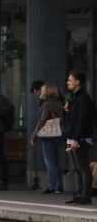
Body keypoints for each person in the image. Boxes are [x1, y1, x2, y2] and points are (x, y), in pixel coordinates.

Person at [63, 70, 93, 205]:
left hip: (80, 138)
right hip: (73, 136)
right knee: (76, 168)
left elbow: (83, 120)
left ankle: (86, 195)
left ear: (77, 82)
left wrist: (77, 138)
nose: (67, 82)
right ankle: (79, 193)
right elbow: (74, 119)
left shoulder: (83, 99)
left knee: (83, 167)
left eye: (70, 80)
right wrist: (68, 111)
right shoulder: (74, 99)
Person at [30, 83, 64, 195]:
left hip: (48, 136)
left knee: (49, 161)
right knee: (58, 161)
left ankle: (51, 185)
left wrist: (34, 136)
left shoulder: (46, 105)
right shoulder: (59, 103)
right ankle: (59, 185)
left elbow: (42, 121)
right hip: (58, 134)